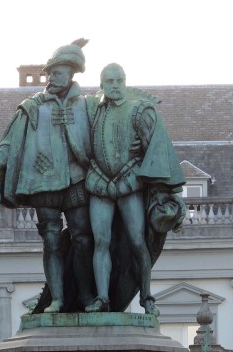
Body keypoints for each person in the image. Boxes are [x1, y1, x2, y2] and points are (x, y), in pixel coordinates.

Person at [0, 40, 94, 313]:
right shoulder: (32, 106)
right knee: (51, 240)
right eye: (49, 73)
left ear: (71, 74)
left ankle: (85, 295)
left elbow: (106, 143)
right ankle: (58, 298)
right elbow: (8, 146)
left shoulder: (88, 106)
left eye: (57, 72)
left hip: (76, 179)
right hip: (43, 182)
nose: (51, 78)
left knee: (83, 238)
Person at [85, 63, 186, 314]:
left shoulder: (138, 110)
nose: (116, 85)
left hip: (129, 182)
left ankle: (146, 295)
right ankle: (102, 297)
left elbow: (155, 148)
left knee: (138, 241)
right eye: (110, 81)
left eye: (120, 80)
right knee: (101, 241)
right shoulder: (90, 110)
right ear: (101, 85)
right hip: (98, 181)